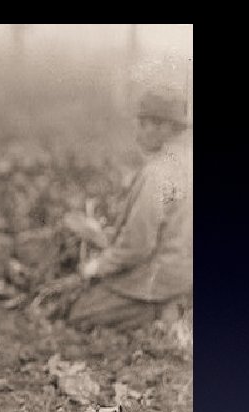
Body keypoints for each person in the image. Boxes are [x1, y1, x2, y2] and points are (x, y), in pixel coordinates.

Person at [66, 86, 193, 332]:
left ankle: (161, 313)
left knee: (79, 315)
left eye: (143, 124)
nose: (138, 132)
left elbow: (138, 246)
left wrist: (97, 267)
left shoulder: (157, 174)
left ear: (161, 127)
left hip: (161, 279)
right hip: (185, 270)